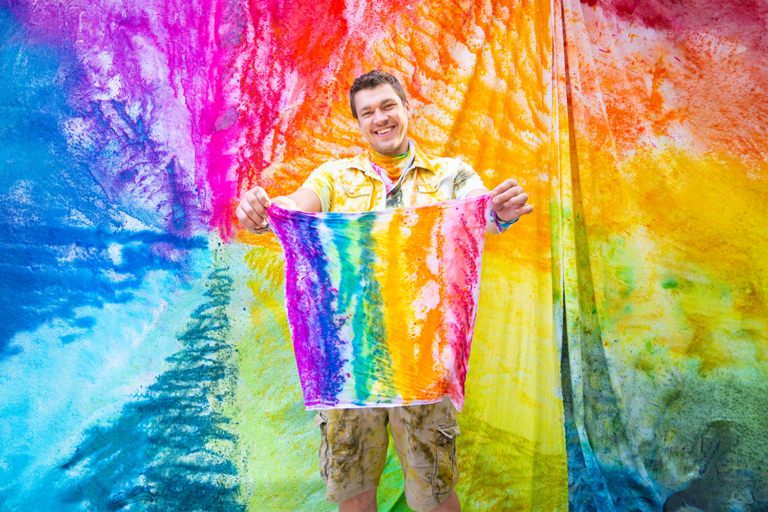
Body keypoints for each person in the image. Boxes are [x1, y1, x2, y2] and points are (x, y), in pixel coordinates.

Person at [236, 70, 532, 512]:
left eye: (388, 105)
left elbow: (481, 210)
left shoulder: (451, 175)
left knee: (434, 494)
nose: (380, 118)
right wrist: (265, 211)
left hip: (424, 366)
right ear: (358, 122)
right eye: (368, 112)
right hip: (349, 366)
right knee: (354, 494)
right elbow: (295, 206)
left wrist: (500, 210)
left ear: (407, 108)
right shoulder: (334, 178)